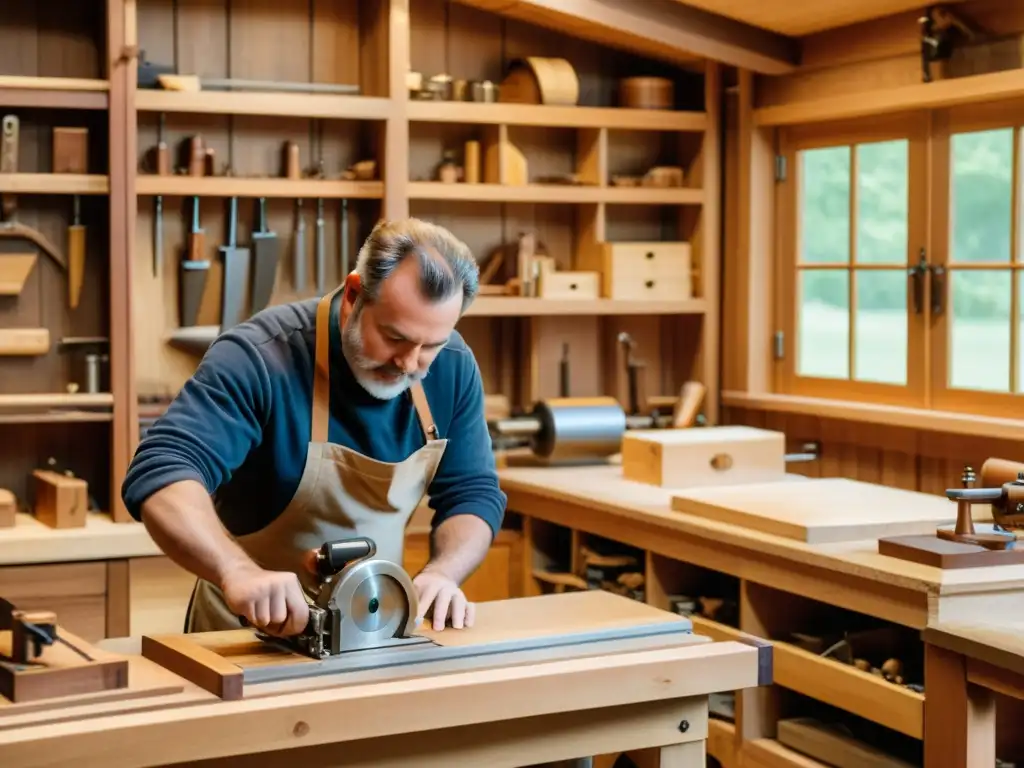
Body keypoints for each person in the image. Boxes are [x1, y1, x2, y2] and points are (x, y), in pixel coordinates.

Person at [121, 218, 506, 637]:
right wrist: (236, 571)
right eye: (394, 337)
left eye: (430, 345)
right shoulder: (261, 357)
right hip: (244, 635)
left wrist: (444, 573)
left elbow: (473, 491)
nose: (410, 363)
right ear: (354, 295)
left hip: (370, 628)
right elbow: (163, 469)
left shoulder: (453, 365)